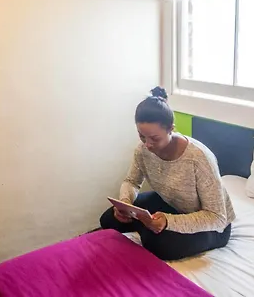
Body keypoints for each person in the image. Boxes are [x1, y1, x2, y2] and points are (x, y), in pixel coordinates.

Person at [100, 87, 235, 261]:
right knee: (109, 219)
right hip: (172, 205)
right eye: (142, 136)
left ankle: (147, 229)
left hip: (213, 227)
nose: (147, 144)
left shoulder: (199, 159)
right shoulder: (143, 150)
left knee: (158, 245)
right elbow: (132, 181)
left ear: (171, 128)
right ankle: (146, 227)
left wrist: (168, 221)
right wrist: (125, 203)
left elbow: (217, 218)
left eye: (154, 138)